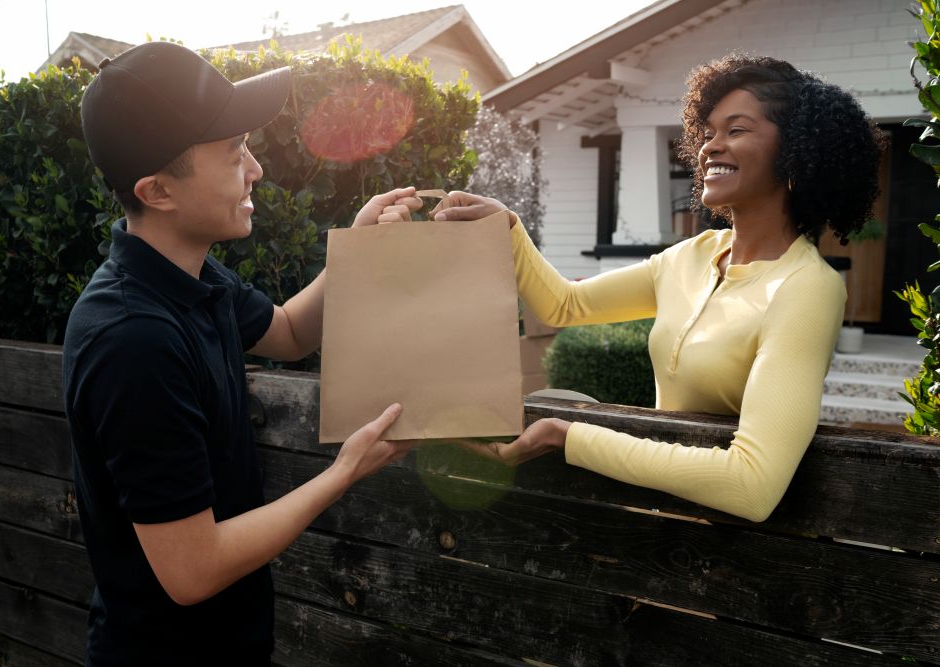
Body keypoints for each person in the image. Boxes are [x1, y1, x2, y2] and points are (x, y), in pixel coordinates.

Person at [63, 41, 419, 666]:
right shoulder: (132, 339)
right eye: (234, 154)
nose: (255, 169)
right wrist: (343, 473)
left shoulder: (193, 277)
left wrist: (354, 251)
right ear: (158, 191)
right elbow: (192, 571)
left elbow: (287, 333)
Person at [414, 54, 884, 523]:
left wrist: (567, 436)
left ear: (796, 151)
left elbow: (751, 484)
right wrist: (509, 228)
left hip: (732, 560)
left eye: (736, 130)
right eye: (710, 132)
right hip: (657, 529)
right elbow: (564, 305)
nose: (710, 147)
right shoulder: (691, 257)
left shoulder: (806, 288)